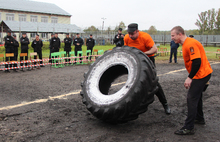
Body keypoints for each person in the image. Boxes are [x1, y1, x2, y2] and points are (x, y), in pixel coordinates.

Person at [171, 26, 212, 135]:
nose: (172, 38)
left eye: (173, 35)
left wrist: (190, 77)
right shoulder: (186, 44)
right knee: (196, 97)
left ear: (180, 34)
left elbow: (197, 62)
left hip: (201, 75)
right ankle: (199, 118)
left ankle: (188, 127)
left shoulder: (190, 43)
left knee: (191, 98)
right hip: (201, 74)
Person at [124, 23, 171, 115]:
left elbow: (154, 49)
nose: (130, 36)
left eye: (132, 34)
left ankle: (165, 104)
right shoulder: (126, 37)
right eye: (129, 33)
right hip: (134, 60)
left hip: (147, 60)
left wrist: (143, 54)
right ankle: (133, 104)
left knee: (154, 83)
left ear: (137, 31)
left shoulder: (145, 37)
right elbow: (126, 49)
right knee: (133, 82)